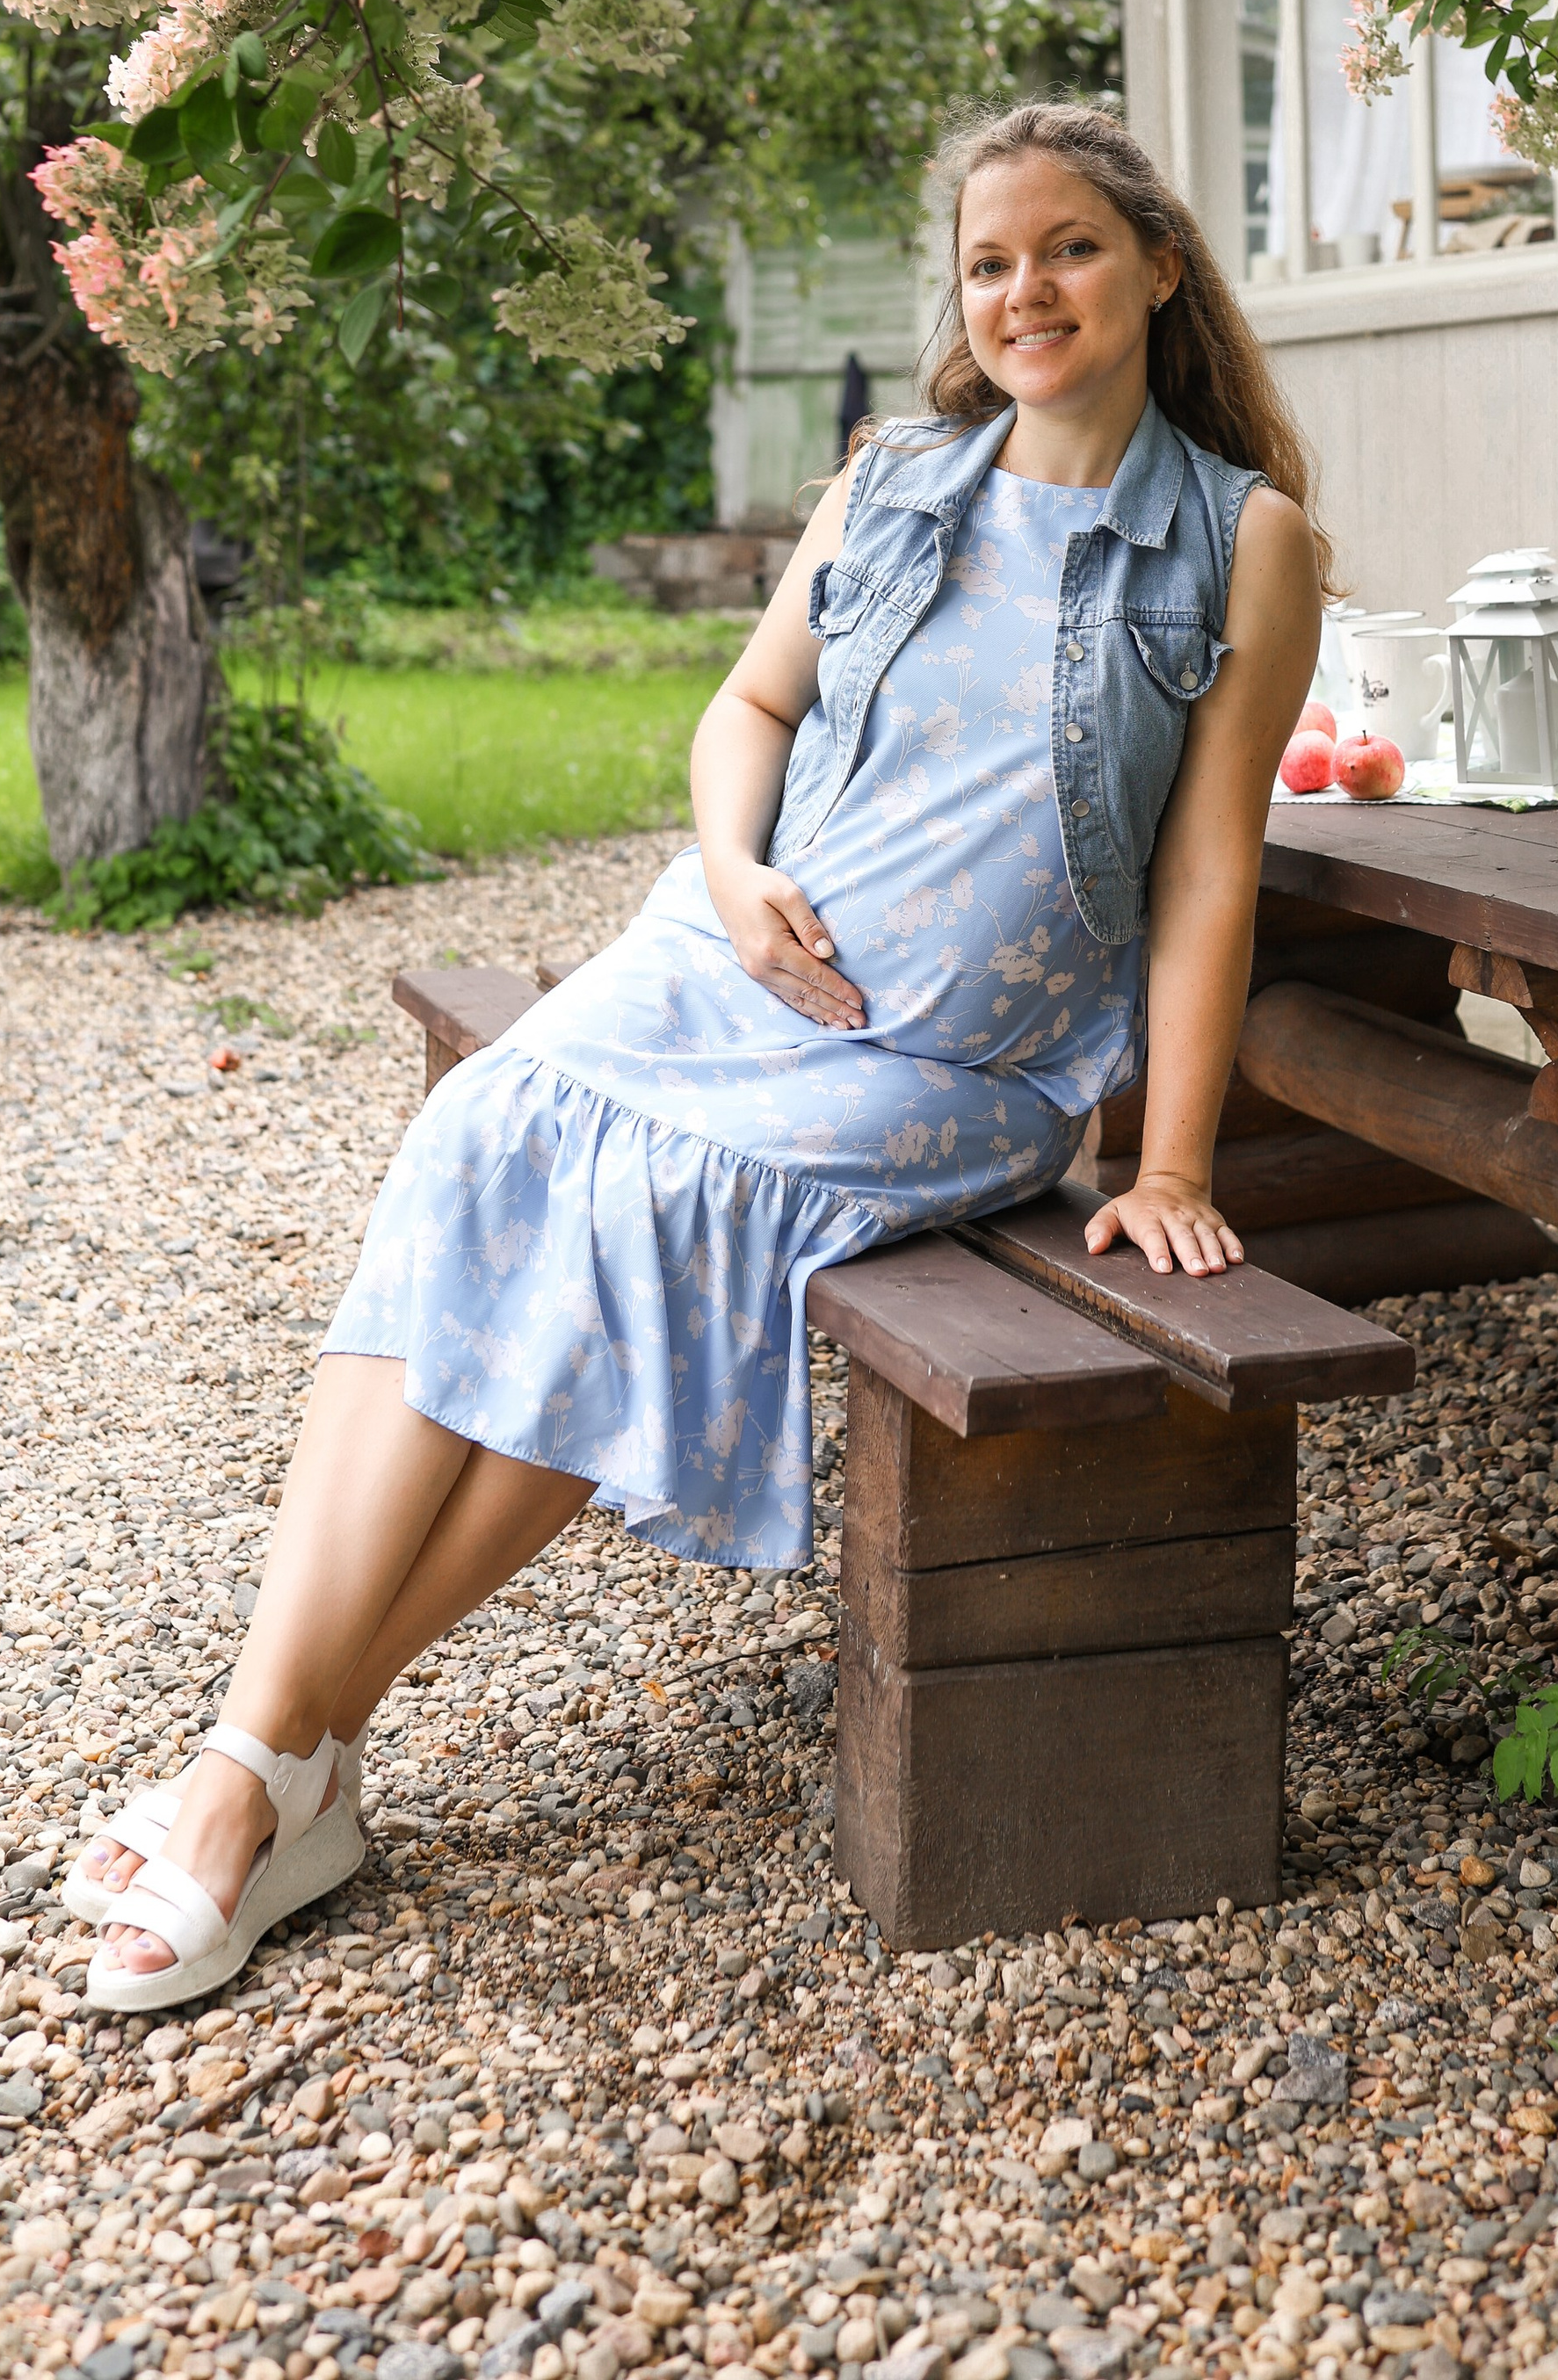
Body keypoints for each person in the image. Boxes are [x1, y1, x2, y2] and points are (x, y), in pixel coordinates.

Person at [72, 102, 1330, 2010]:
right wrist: (734, 876)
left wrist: (1165, 1163)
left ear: (1157, 265)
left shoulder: (1242, 545)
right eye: (988, 262)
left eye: (1065, 248)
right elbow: (750, 704)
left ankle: (259, 1773)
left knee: (660, 1214)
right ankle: (274, 1762)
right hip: (725, 959)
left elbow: (1209, 870)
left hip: (941, 1062)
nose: (1023, 292)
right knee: (488, 1129)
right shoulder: (896, 480)